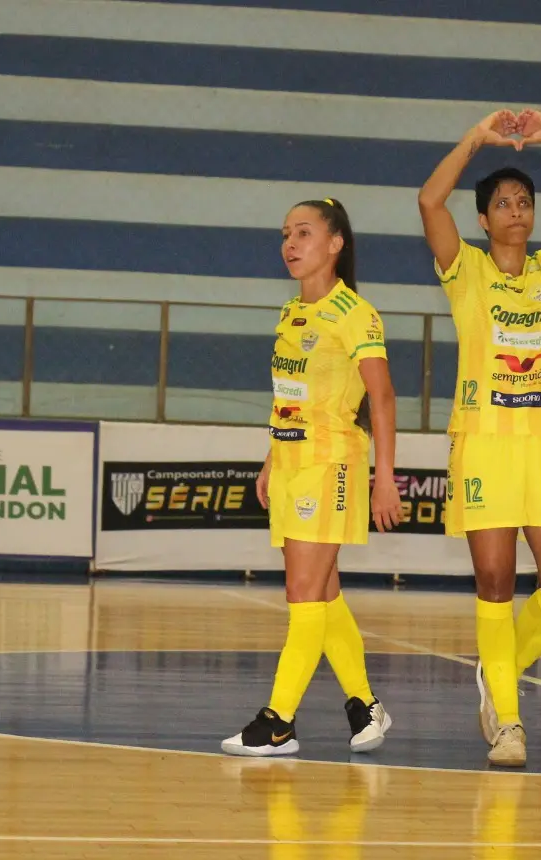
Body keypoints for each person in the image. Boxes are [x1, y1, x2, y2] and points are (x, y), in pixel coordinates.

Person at [417, 109, 541, 767]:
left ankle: (496, 666)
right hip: (484, 442)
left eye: (524, 202)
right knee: (496, 580)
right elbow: (428, 199)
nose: (515, 210)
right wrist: (475, 138)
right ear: (484, 218)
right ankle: (507, 720)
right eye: (502, 202)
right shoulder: (465, 271)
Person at [222, 197, 403, 758]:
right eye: (285, 234)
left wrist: (386, 476)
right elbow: (288, 397)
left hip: (333, 465)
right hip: (292, 465)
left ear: (335, 243)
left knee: (302, 595)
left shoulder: (356, 313)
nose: (290, 243)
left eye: (303, 232)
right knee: (322, 593)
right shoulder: (288, 313)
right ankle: (365, 705)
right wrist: (271, 457)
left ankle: (279, 722)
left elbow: (383, 396)